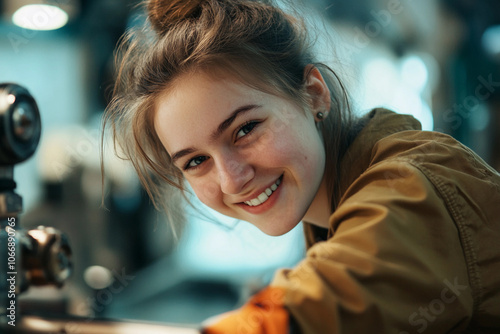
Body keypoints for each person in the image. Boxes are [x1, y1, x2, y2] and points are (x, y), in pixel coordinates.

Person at [103, 0, 500, 333]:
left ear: (313, 95)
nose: (231, 179)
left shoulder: (413, 183)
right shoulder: (330, 208)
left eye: (245, 130)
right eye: (196, 161)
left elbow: (323, 306)